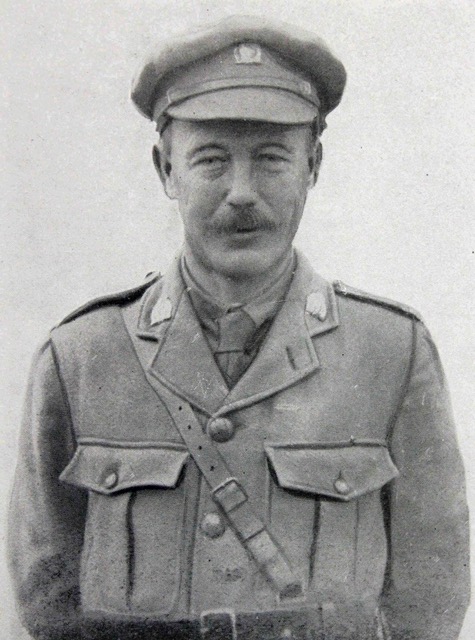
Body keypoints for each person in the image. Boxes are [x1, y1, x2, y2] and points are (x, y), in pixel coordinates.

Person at [8, 15, 470, 640]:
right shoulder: (80, 360)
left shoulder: (391, 354)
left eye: (272, 160)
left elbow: (430, 599)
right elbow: (47, 599)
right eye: (211, 160)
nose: (242, 193)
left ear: (313, 166)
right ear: (165, 170)